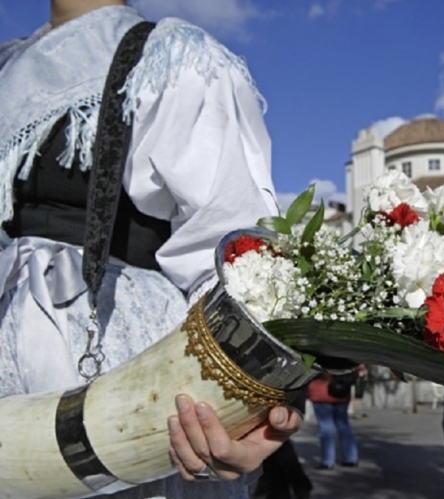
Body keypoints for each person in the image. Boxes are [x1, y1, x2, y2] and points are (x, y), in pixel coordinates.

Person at [0, 2, 300, 497]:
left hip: (104, 371)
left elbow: (232, 251)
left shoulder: (169, 56)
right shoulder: (9, 62)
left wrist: (255, 402)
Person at [307, 371, 360, 469]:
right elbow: (358, 370)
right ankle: (351, 458)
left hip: (321, 393)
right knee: (344, 427)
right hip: (342, 392)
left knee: (325, 428)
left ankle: (328, 461)